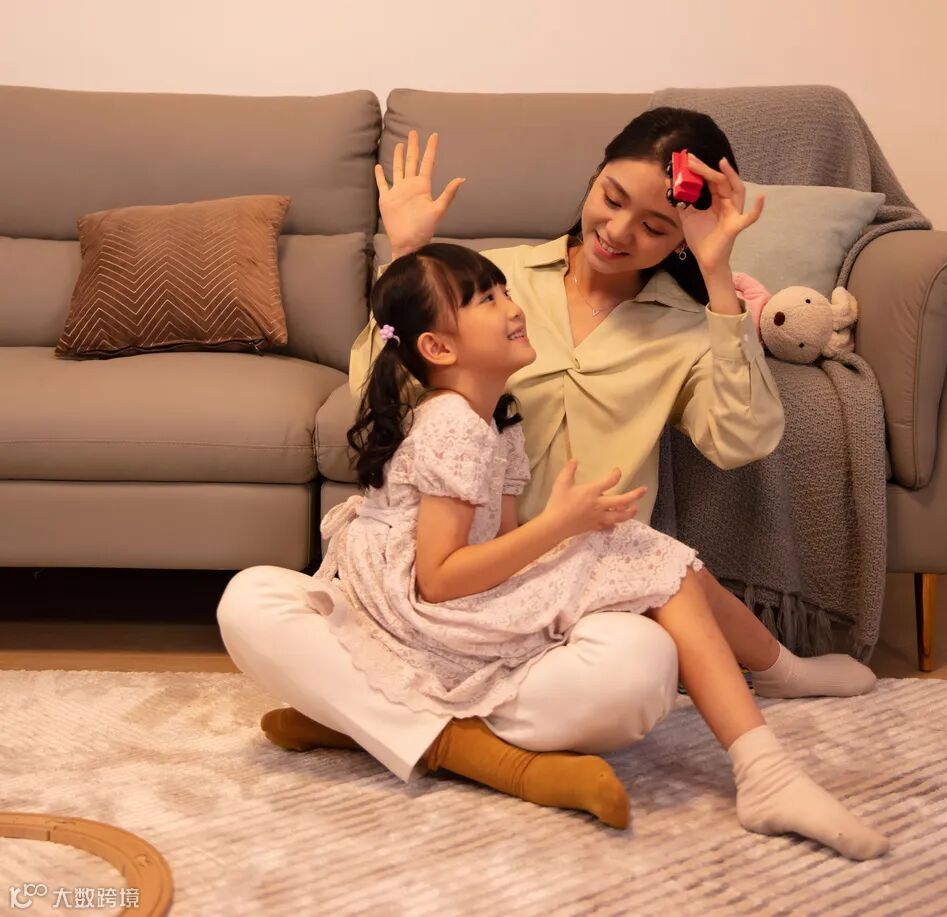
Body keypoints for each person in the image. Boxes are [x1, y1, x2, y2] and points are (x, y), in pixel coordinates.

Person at [217, 107, 875, 831]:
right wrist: (406, 257)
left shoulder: (689, 326)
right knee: (250, 603)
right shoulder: (491, 282)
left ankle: (364, 720)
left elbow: (742, 440)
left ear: (683, 237)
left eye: (656, 226)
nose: (618, 231)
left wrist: (719, 279)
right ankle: (478, 752)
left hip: (561, 596)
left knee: (642, 674)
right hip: (440, 585)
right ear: (593, 176)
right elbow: (382, 393)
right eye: (612, 198)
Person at [306, 240, 888, 858]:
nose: (512, 306)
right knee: (637, 554)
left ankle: (778, 678)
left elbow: (499, 545)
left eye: (504, 290)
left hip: (456, 589)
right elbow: (438, 580)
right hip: (415, 607)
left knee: (642, 552)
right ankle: (768, 748)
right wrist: (560, 527)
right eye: (486, 300)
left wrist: (570, 536)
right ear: (439, 348)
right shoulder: (451, 424)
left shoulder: (496, 418)